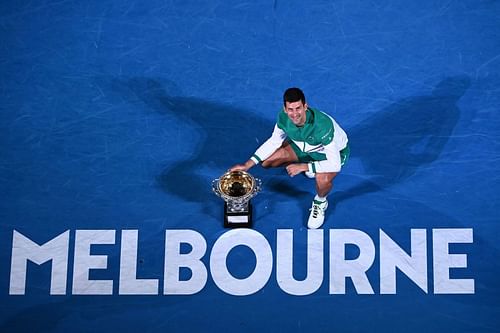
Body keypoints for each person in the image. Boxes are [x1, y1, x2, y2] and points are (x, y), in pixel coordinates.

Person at [230, 87, 349, 228]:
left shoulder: (322, 125)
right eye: (290, 109)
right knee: (267, 162)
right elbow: (274, 141)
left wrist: (304, 167)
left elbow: (335, 164)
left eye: (298, 108)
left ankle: (321, 201)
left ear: (305, 106)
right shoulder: (283, 117)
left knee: (321, 180)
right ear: (285, 109)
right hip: (305, 147)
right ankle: (312, 163)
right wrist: (247, 164)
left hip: (331, 154)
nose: (294, 114)